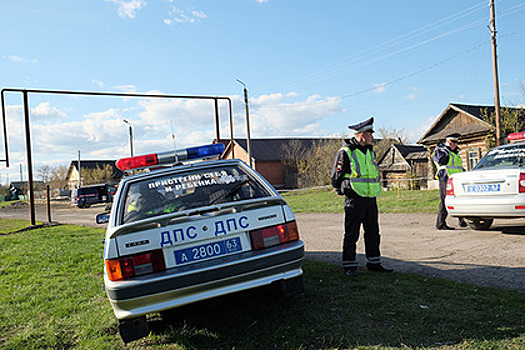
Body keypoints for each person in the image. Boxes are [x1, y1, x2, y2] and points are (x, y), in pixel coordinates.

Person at [330, 116, 393, 277]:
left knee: (373, 232)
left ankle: (374, 263)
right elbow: (336, 178)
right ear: (361, 134)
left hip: (371, 198)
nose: (372, 137)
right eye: (370, 133)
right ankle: (349, 265)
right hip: (355, 199)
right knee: (352, 234)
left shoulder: (370, 151)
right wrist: (346, 189)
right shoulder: (346, 151)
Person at [432, 133, 467, 230]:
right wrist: (446, 149)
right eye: (453, 142)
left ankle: (461, 220)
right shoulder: (440, 150)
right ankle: (440, 224)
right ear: (448, 141)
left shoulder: (454, 152)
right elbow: (442, 161)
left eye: (457, 142)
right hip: (445, 177)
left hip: (457, 178)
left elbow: (458, 166)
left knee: (458, 199)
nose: (455, 144)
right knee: (445, 201)